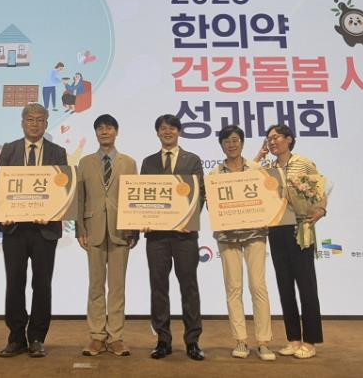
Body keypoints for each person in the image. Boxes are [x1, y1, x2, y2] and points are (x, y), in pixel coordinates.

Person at [0, 103, 68, 358]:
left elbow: (62, 188)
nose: (35, 124)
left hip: (45, 230)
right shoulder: (9, 149)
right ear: (22, 123)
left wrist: (51, 211)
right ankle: (16, 337)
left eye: (40, 120)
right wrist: (2, 213)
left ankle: (37, 337)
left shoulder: (58, 152)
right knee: (14, 283)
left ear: (46, 124)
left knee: (42, 284)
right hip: (14, 229)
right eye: (30, 119)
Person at [140, 114, 205, 361]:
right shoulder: (148, 162)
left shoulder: (193, 160)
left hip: (185, 237)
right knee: (158, 287)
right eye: (163, 128)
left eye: (172, 128)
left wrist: (190, 219)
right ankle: (162, 340)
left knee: (189, 287)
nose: (167, 132)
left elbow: (200, 194)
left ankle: (193, 341)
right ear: (158, 133)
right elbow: (142, 196)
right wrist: (142, 218)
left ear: (179, 132)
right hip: (156, 237)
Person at [210, 125, 275, 361]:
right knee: (233, 287)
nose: (231, 144)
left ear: (242, 143)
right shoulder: (214, 175)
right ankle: (240, 340)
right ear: (221, 145)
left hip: (255, 233)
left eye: (235, 140)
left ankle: (264, 342)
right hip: (227, 237)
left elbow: (269, 197)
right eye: (227, 141)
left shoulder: (257, 169)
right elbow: (212, 205)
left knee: (258, 285)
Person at [263, 124, 327, 359]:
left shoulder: (303, 163)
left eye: (276, 137)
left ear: (289, 139)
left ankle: (310, 341)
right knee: (284, 286)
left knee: (306, 285)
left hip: (301, 228)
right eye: (269, 139)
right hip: (276, 229)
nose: (272, 142)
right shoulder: (268, 168)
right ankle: (293, 339)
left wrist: (321, 210)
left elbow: (320, 192)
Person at [75, 114, 137, 357]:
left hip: (121, 229)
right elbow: (80, 198)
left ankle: (116, 337)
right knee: (95, 286)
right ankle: (97, 337)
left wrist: (134, 229)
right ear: (96, 133)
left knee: (118, 287)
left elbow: (134, 197)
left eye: (109, 128)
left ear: (116, 132)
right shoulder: (85, 162)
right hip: (93, 229)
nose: (104, 132)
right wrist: (80, 229)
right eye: (100, 128)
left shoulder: (129, 162)